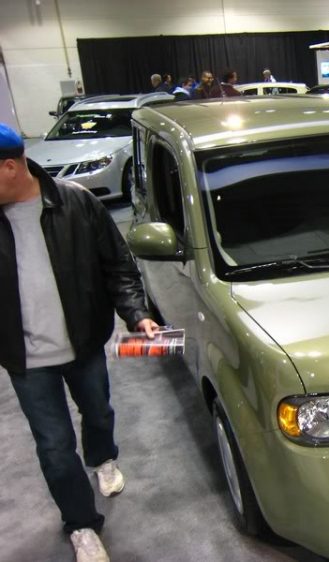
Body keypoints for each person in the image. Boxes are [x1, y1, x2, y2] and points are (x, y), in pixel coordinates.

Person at [0, 123, 160, 562]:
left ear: (10, 167)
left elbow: (117, 266)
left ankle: (103, 457)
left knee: (98, 410)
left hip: (84, 341)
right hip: (26, 358)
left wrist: (137, 313)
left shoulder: (76, 202)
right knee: (53, 445)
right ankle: (82, 524)